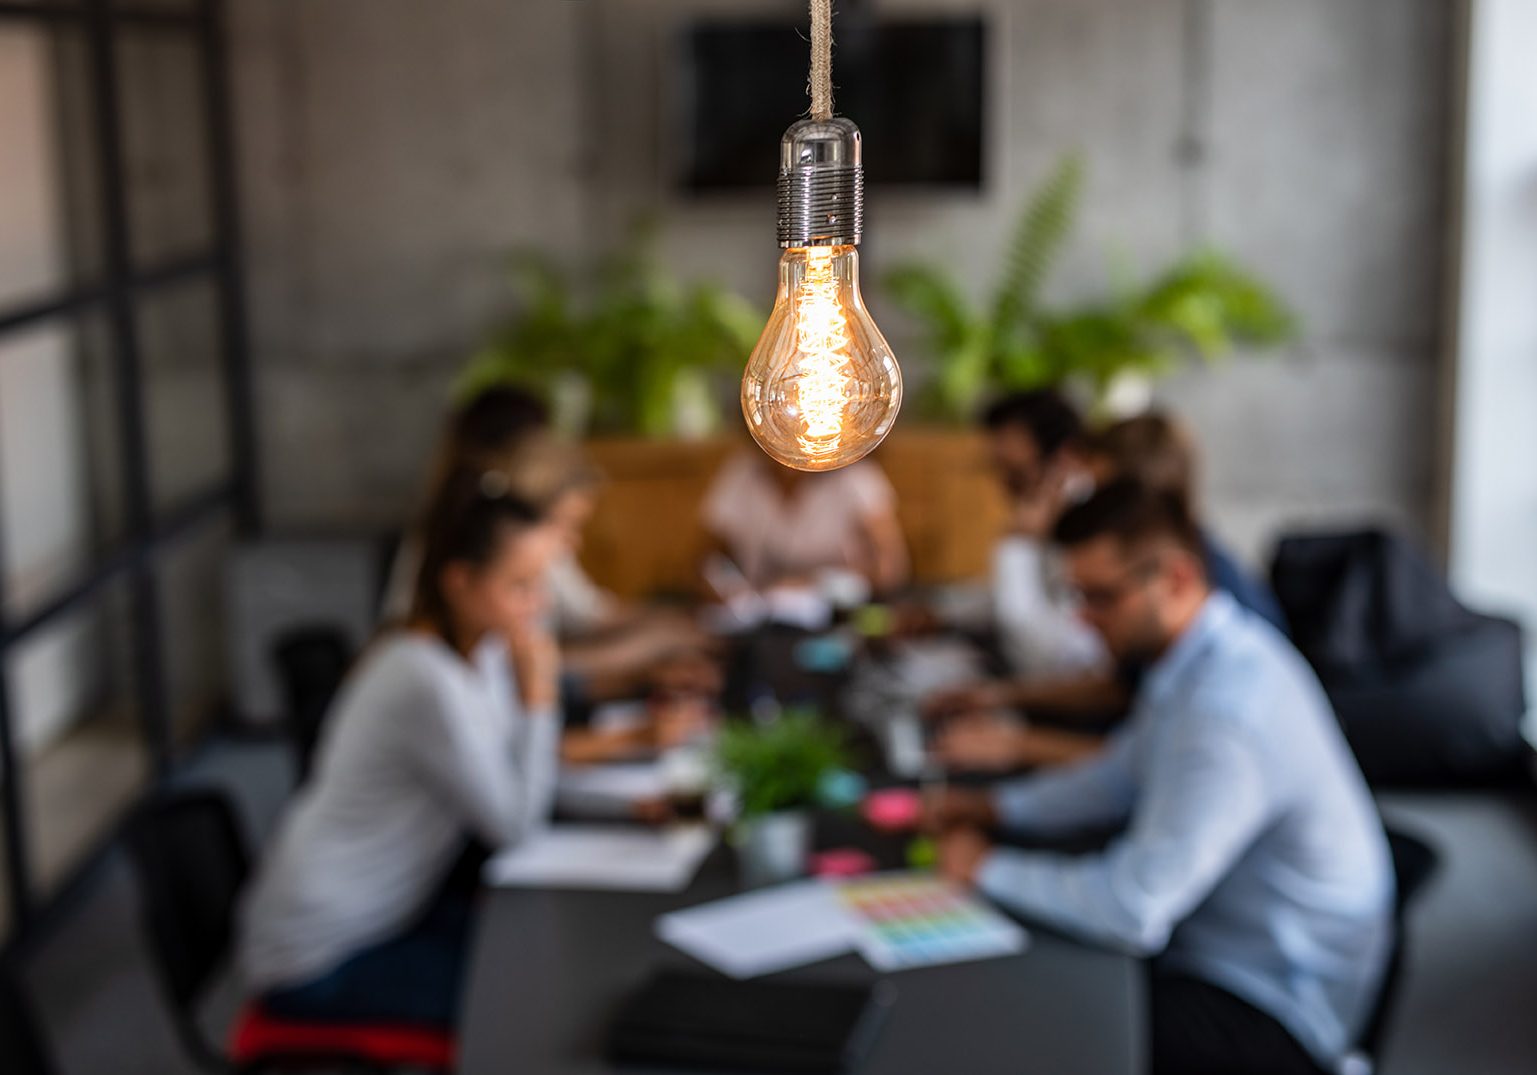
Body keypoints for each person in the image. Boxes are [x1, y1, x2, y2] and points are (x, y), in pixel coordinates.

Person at [929, 479, 1394, 1075]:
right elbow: (1120, 774)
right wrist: (999, 809)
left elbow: (1131, 910)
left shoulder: (1228, 715)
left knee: (1027, 1028)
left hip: (1272, 1004)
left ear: (1174, 579)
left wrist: (982, 866)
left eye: (1100, 596)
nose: (1084, 619)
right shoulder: (1201, 657)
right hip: (1225, 945)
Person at [239, 464, 565, 1029]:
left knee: (543, 952)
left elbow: (512, 772)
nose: (537, 606)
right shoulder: (423, 678)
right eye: (519, 586)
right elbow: (515, 825)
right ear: (459, 582)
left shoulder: (477, 653)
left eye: (541, 584)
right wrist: (540, 698)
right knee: (530, 999)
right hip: (317, 958)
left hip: (386, 915)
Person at [933, 409, 1289, 770]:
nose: (1086, 616)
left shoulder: (1205, 598)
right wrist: (1003, 697)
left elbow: (1157, 759)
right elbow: (1121, 689)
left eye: (1102, 495)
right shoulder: (1184, 557)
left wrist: (1020, 746)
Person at [700, 450, 909, 597]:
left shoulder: (855, 476)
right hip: (759, 620)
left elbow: (891, 563)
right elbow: (705, 558)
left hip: (839, 616)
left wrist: (821, 583)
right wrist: (725, 591)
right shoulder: (742, 472)